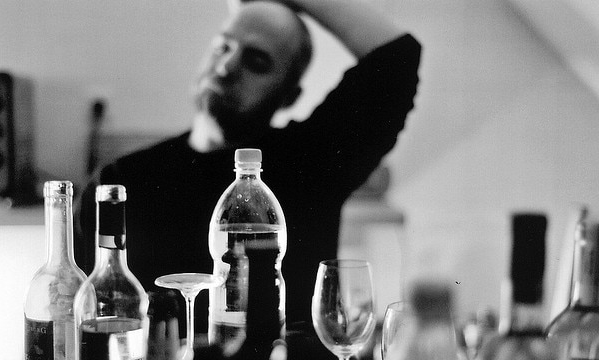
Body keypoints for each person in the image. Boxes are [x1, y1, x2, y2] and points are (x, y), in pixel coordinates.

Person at [74, 0, 421, 343]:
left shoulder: (312, 161)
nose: (226, 66)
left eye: (256, 61)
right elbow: (82, 313)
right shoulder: (120, 182)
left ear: (289, 95)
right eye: (223, 46)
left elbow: (397, 57)